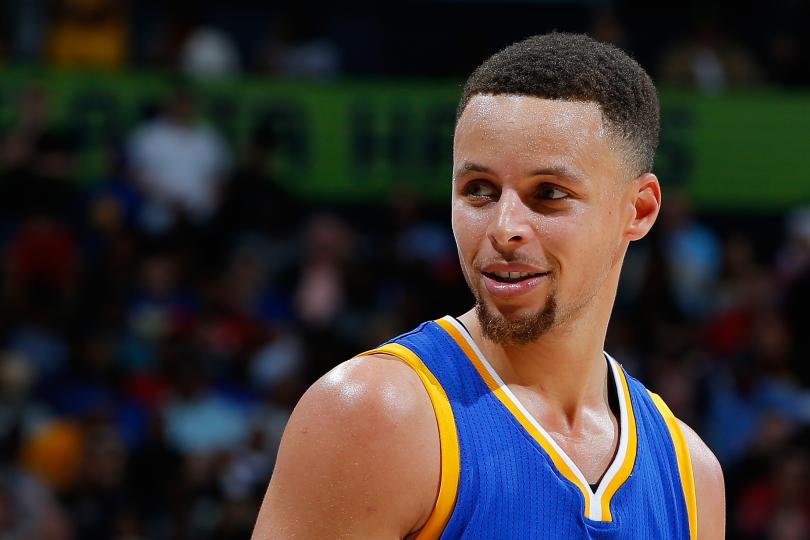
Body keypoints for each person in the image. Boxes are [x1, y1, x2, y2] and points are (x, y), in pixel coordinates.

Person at [251, 33, 725, 539]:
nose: (503, 227)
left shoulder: (692, 474)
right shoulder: (375, 416)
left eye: (548, 194)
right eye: (479, 190)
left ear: (640, 210)